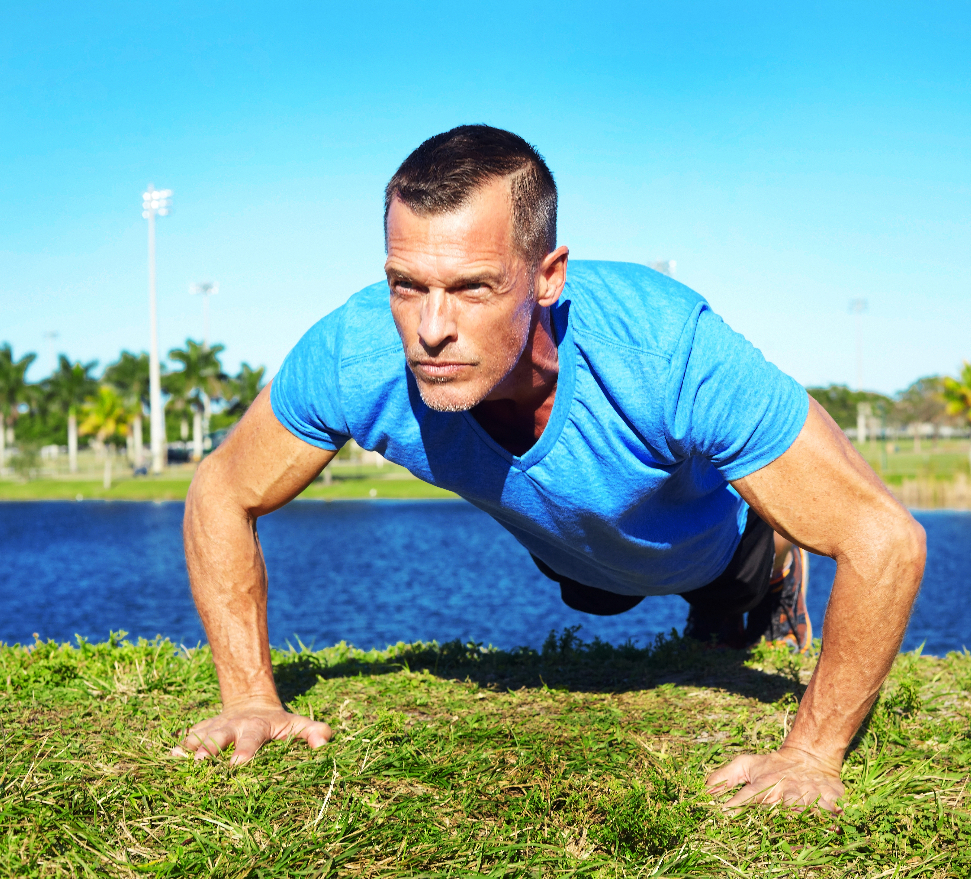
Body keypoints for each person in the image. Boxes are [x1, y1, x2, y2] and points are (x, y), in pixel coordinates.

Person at [173, 125, 926, 812]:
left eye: (473, 287)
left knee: (723, 579)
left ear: (548, 275)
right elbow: (221, 488)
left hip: (706, 538)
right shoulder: (354, 352)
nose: (432, 330)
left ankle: (767, 568)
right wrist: (248, 699)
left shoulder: (664, 351)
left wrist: (811, 754)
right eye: (408, 284)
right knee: (593, 594)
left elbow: (885, 539)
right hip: (578, 552)